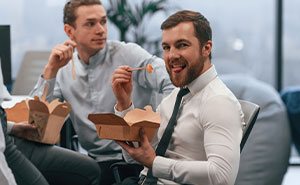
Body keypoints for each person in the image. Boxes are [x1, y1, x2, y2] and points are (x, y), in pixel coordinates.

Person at [30, 0, 174, 184]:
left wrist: (163, 130)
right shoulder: (63, 69)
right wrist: (50, 70)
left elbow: (174, 82)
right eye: (91, 23)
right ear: (69, 31)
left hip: (139, 158)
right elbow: (36, 125)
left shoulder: (128, 54)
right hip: (95, 162)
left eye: (103, 22)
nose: (101, 30)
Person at [111, 10, 244, 185]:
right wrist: (124, 102)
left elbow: (221, 176)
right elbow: (135, 156)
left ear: (206, 48)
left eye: (182, 45)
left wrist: (154, 163)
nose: (171, 55)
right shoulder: (177, 95)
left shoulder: (218, 102)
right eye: (166, 47)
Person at [0, 61, 100, 185]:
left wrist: (12, 128)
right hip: (5, 141)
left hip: (6, 131)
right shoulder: (66, 70)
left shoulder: (128, 54)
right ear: (72, 39)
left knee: (90, 169)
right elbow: (39, 113)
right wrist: (51, 70)